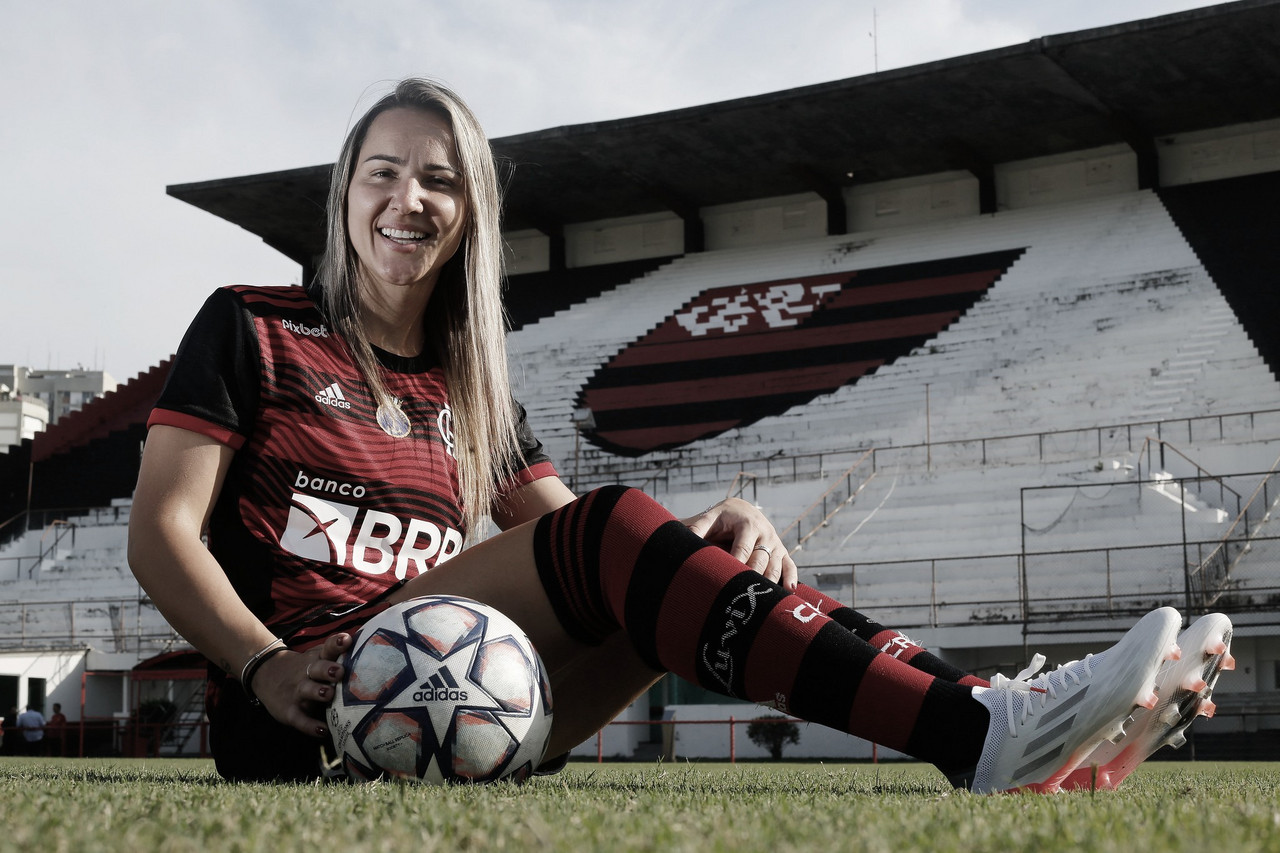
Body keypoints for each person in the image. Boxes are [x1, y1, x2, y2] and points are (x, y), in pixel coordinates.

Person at [128, 78, 1232, 791]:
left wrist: (706, 536)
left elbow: (579, 556)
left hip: (458, 702)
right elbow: (160, 533)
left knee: (671, 570)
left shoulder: (473, 385)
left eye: (437, 178)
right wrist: (263, 665)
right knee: (624, 539)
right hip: (301, 710)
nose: (405, 199)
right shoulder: (252, 326)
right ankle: (981, 730)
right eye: (381, 173)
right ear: (343, 195)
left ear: (470, 211)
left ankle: (1018, 730)